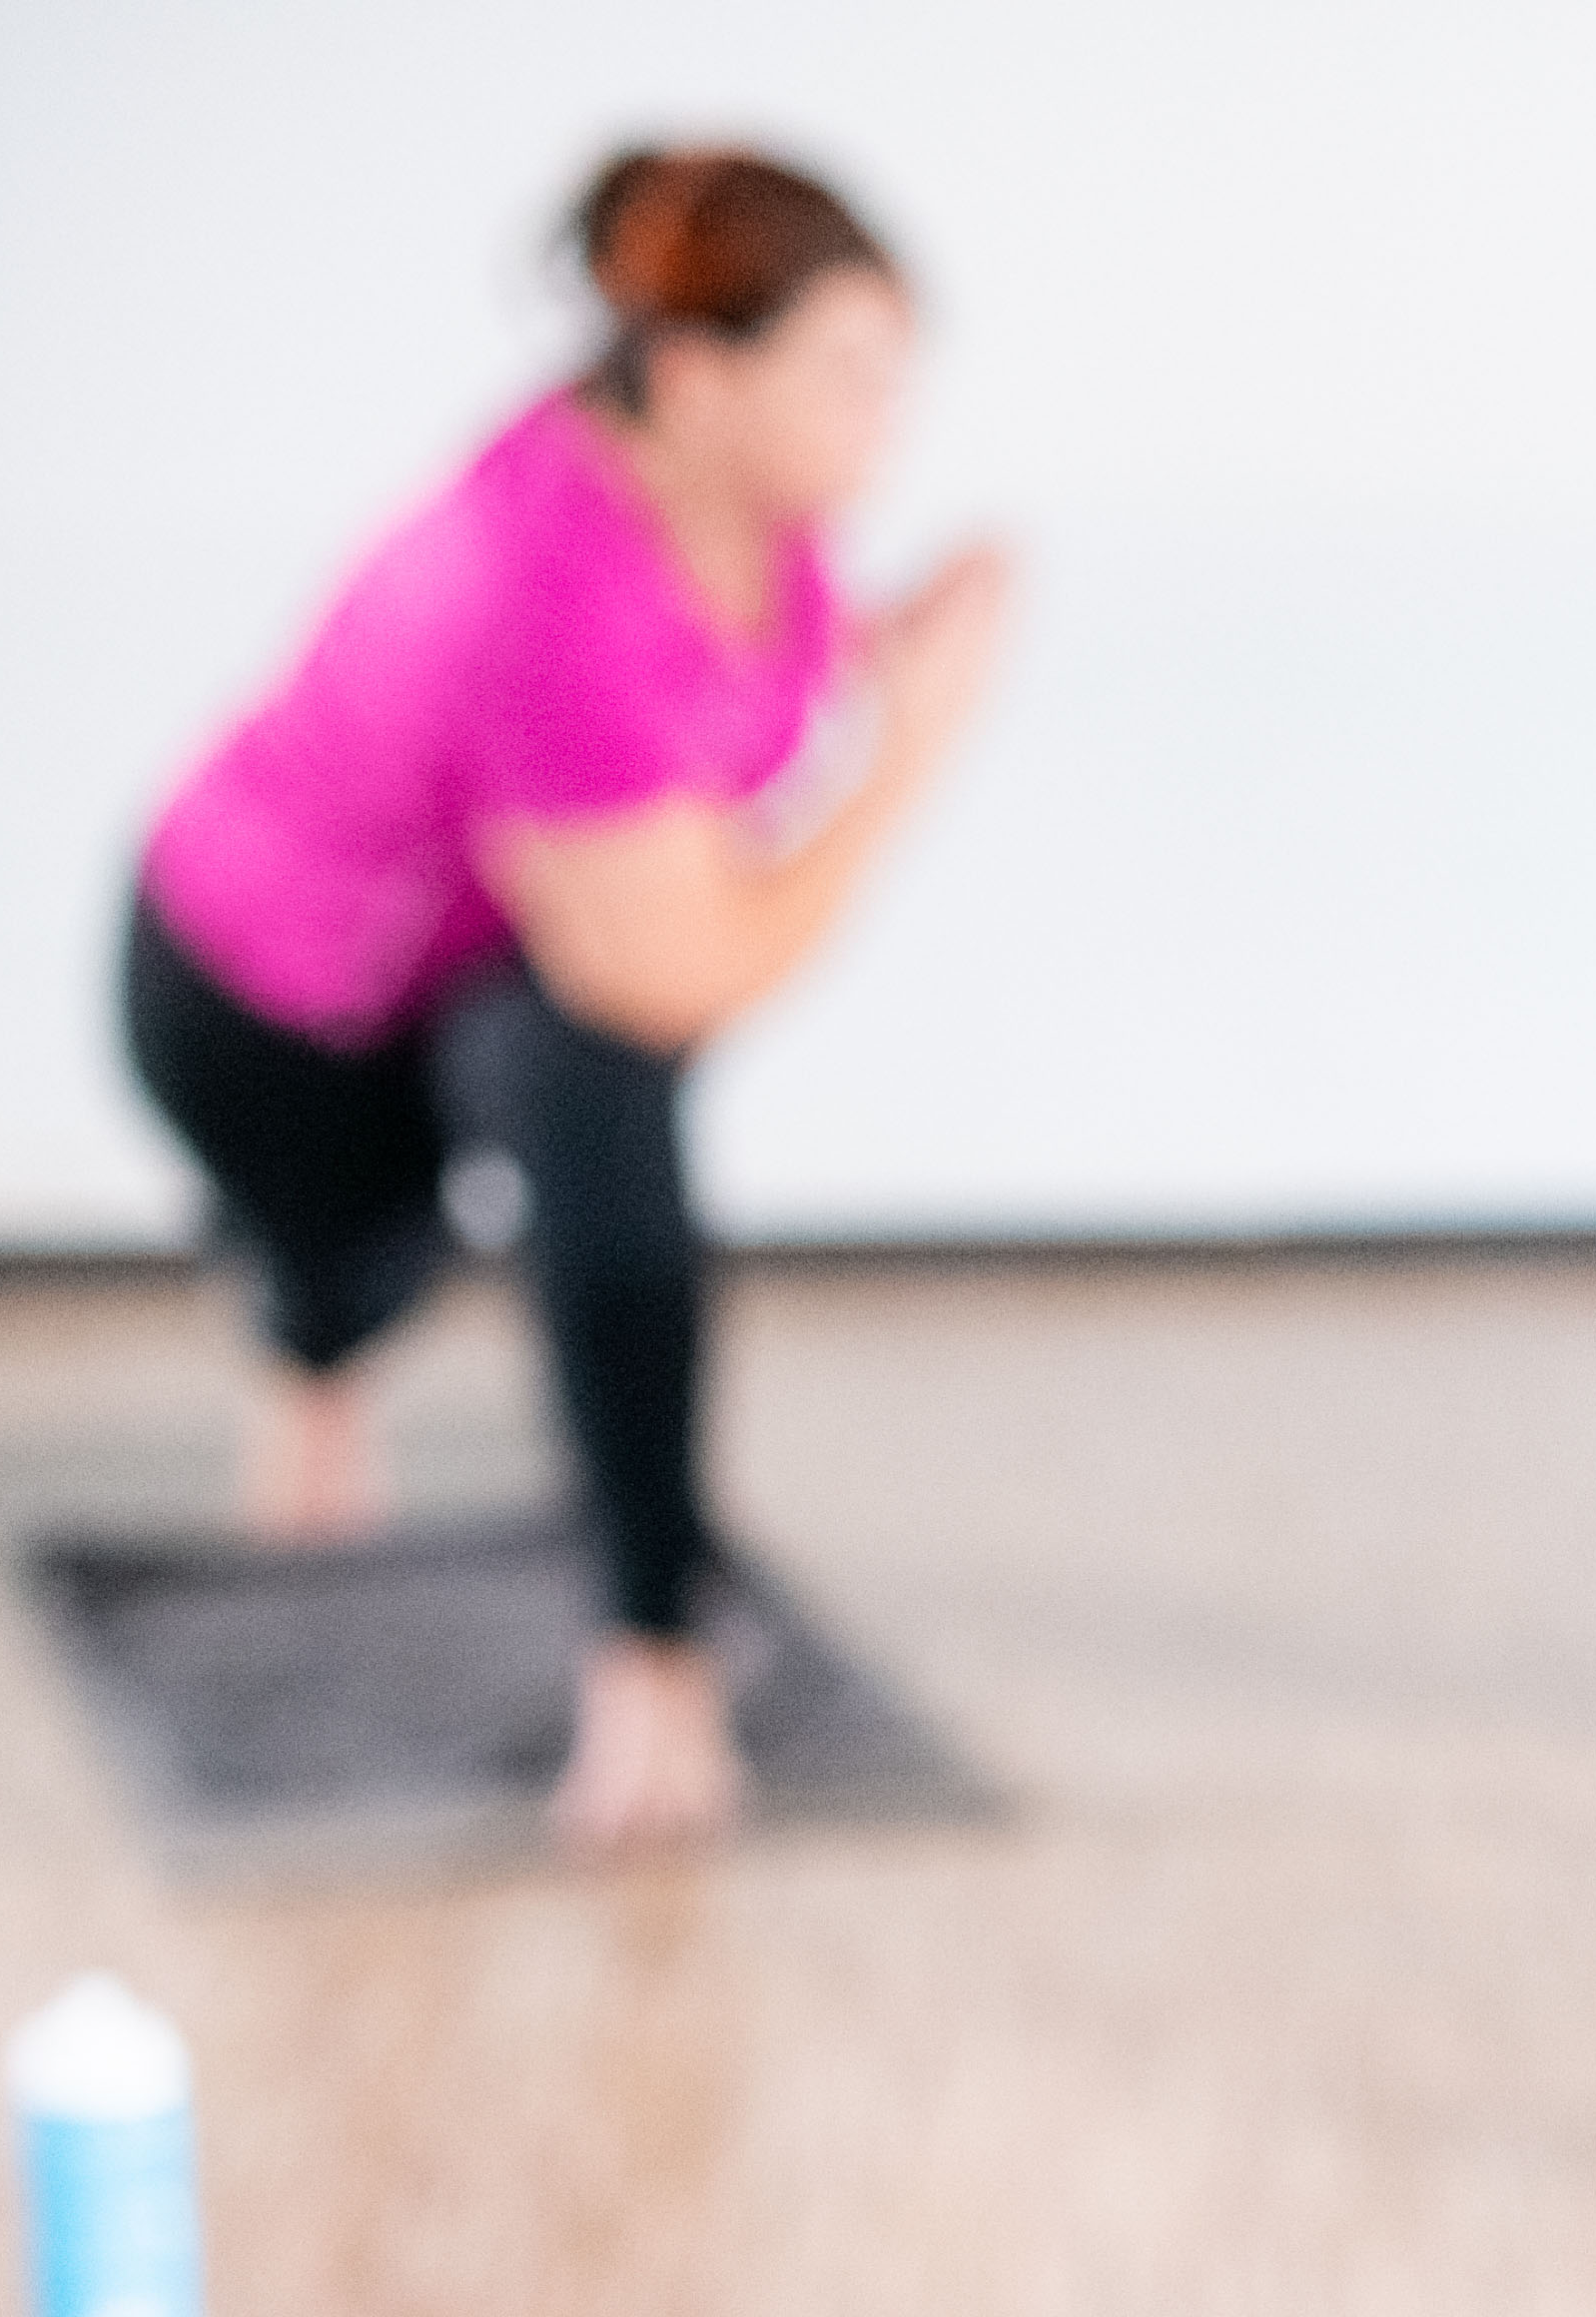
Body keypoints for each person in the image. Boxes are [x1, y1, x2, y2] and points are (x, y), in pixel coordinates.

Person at [122, 147, 1013, 1852]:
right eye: (847, 376)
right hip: (252, 1013)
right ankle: (321, 1344)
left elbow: (709, 803)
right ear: (693, 379)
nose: (887, 422)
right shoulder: (544, 589)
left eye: (896, 377)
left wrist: (891, 655)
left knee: (592, 1098)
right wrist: (913, 750)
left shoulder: (751, 510)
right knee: (379, 1241)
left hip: (464, 966)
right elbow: (687, 967)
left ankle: (647, 1642)